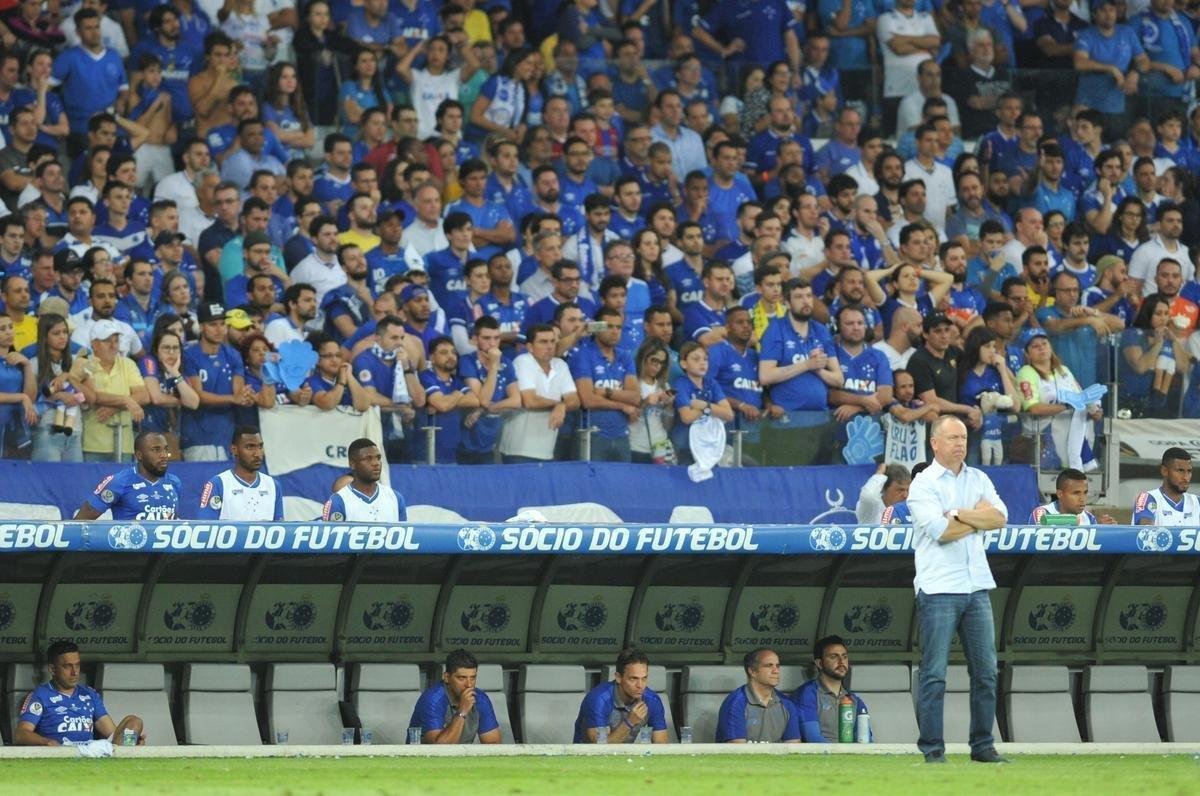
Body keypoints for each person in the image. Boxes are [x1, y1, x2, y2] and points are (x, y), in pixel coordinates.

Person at [907, 415, 1009, 764]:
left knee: (987, 672)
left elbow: (1000, 518)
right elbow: (942, 532)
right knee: (934, 674)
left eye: (963, 437)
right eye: (952, 438)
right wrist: (976, 519)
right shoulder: (923, 484)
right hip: (938, 588)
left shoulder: (978, 478)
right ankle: (933, 750)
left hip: (977, 585)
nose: (960, 444)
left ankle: (983, 746)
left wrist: (958, 514)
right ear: (934, 443)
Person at [15, 640, 144, 746]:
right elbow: (20, 734)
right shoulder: (40, 695)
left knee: (134, 722)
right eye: (67, 666)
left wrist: (131, 740)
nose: (75, 672)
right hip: (60, 753)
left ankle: (129, 751)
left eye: (77, 665)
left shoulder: (89, 694)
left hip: (91, 752)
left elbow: (112, 733)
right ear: (52, 669)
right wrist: (47, 742)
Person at [1016, 329, 1101, 471]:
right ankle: (1083, 463)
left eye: (1044, 343)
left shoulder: (1063, 370)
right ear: (1027, 353)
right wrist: (1067, 406)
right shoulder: (1026, 373)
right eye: (1035, 346)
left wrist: (1094, 411)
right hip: (1041, 434)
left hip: (1074, 431)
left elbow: (1081, 398)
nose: (1041, 348)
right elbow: (1034, 408)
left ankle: (1082, 464)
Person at [499, 324, 580, 463]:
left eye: (553, 341)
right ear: (530, 347)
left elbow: (575, 400)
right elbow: (530, 401)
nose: (550, 346)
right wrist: (559, 404)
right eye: (543, 342)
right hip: (518, 450)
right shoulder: (522, 362)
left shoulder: (560, 365)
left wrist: (562, 406)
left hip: (547, 450)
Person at [73, 431, 180, 520]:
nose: (164, 455)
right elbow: (80, 521)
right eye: (156, 450)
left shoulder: (174, 482)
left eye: (166, 449)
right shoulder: (119, 482)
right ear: (139, 455)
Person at [574, 647, 669, 744]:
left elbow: (661, 745)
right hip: (585, 753)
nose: (640, 686)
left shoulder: (652, 700)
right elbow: (600, 747)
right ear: (618, 677)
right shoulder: (599, 700)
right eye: (633, 679)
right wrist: (630, 722)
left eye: (644, 678)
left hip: (625, 753)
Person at [408, 649, 502, 744]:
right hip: (423, 753)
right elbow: (439, 748)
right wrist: (462, 712)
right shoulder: (432, 700)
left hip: (463, 753)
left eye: (472, 678)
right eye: (462, 678)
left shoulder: (480, 699)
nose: (469, 685)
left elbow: (493, 744)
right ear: (447, 678)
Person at [793, 635, 871, 743]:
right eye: (834, 657)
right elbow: (813, 738)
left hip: (849, 753)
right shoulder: (808, 694)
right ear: (820, 663)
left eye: (844, 657)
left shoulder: (855, 701)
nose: (841, 662)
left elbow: (866, 740)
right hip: (819, 754)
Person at [196, 426, 284, 520]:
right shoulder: (218, 484)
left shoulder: (273, 485)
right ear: (234, 449)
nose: (257, 454)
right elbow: (205, 525)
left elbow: (280, 526)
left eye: (260, 446)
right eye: (250, 447)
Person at [715, 648, 801, 743]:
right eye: (769, 666)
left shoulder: (787, 705)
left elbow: (793, 747)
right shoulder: (735, 704)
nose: (776, 671)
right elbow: (736, 749)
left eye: (777, 666)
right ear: (753, 671)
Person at [321, 437, 407, 522]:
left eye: (378, 458)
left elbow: (405, 530)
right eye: (368, 459)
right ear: (352, 464)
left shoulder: (395, 498)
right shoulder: (338, 501)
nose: (376, 463)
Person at [1132, 446, 1200, 526]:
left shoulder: (1197, 502)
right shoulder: (1147, 498)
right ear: (1164, 471)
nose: (1186, 477)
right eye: (1180, 471)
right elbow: (1145, 531)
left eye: (1189, 471)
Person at [1030, 468, 1116, 524]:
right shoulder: (1042, 513)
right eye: (1076, 493)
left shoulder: (1089, 518)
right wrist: (1071, 521)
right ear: (1060, 494)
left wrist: (1105, 531)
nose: (1082, 499)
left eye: (1085, 492)